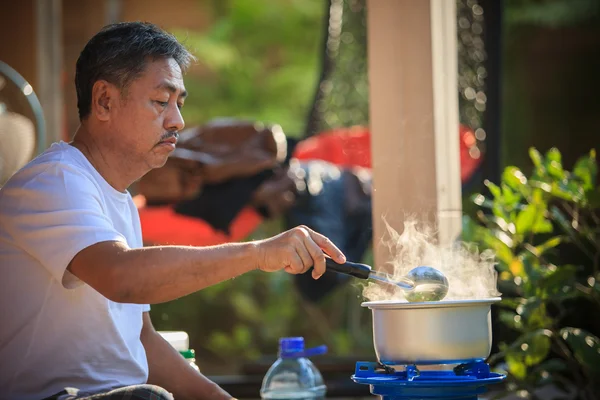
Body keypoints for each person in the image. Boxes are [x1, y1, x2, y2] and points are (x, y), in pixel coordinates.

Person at [0, 22, 346, 400]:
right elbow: (121, 278)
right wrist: (258, 253)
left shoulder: (119, 201)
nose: (178, 121)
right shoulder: (56, 181)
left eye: (179, 104)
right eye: (161, 101)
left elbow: (142, 340)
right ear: (104, 101)